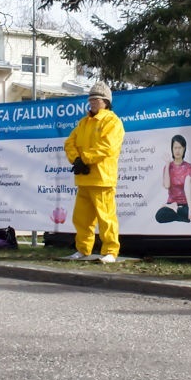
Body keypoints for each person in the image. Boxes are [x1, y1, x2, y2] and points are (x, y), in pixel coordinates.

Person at [64, 82, 125, 263]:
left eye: (95, 99)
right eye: (90, 99)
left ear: (105, 101)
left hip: (102, 179)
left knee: (106, 218)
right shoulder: (83, 122)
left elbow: (107, 147)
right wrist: (76, 160)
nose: (91, 102)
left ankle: (110, 252)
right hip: (84, 179)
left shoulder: (112, 122)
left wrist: (85, 159)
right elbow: (69, 143)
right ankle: (83, 250)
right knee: (81, 219)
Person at [155, 134, 191, 223]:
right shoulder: (167, 167)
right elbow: (167, 185)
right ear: (172, 149)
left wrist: (190, 206)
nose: (177, 150)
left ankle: (176, 210)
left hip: (185, 204)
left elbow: (187, 185)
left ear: (184, 149)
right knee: (159, 216)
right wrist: (168, 164)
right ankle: (174, 209)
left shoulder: (188, 167)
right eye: (175, 148)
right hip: (171, 202)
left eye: (180, 148)